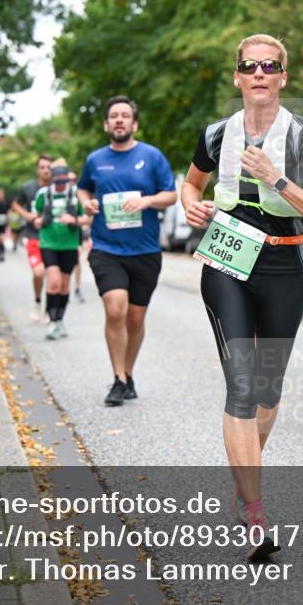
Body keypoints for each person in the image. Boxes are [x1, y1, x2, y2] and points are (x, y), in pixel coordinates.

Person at [181, 34, 303, 560]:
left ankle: (243, 480)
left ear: (283, 78)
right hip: (226, 257)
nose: (259, 73)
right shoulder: (215, 133)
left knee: (267, 392)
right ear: (237, 77)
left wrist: (279, 180)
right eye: (249, 66)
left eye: (270, 66)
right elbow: (192, 185)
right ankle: (255, 510)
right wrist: (192, 207)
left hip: (283, 263)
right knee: (242, 385)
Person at [78, 96, 176, 406]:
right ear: (107, 124)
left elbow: (171, 195)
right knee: (115, 308)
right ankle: (118, 378)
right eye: (114, 116)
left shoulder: (152, 156)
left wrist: (146, 201)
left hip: (145, 249)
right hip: (106, 247)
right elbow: (83, 188)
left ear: (134, 124)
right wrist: (87, 203)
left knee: (135, 318)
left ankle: (128, 373)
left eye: (125, 116)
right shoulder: (95, 160)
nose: (119, 120)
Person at [34, 164, 86, 340]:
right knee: (54, 281)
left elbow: (87, 217)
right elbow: (36, 215)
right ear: (52, 180)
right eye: (58, 181)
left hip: (69, 245)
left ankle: (60, 320)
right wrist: (38, 221)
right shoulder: (43, 194)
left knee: (64, 284)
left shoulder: (76, 194)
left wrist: (74, 219)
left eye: (65, 181)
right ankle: (52, 322)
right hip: (48, 243)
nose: (62, 185)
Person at [11, 155, 53, 322]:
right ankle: (37, 303)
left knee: (52, 274)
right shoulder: (28, 187)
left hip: (53, 236)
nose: (45, 170)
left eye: (48, 167)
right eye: (42, 167)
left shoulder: (58, 187)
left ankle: (49, 310)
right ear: (37, 169)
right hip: (33, 235)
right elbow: (15, 204)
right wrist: (27, 215)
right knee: (39, 272)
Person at [69, 169, 88, 303]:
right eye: (68, 180)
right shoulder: (55, 194)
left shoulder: (78, 196)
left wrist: (76, 221)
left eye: (73, 180)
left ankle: (77, 287)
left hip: (75, 233)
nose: (71, 183)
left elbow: (85, 216)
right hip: (58, 235)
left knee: (76, 261)